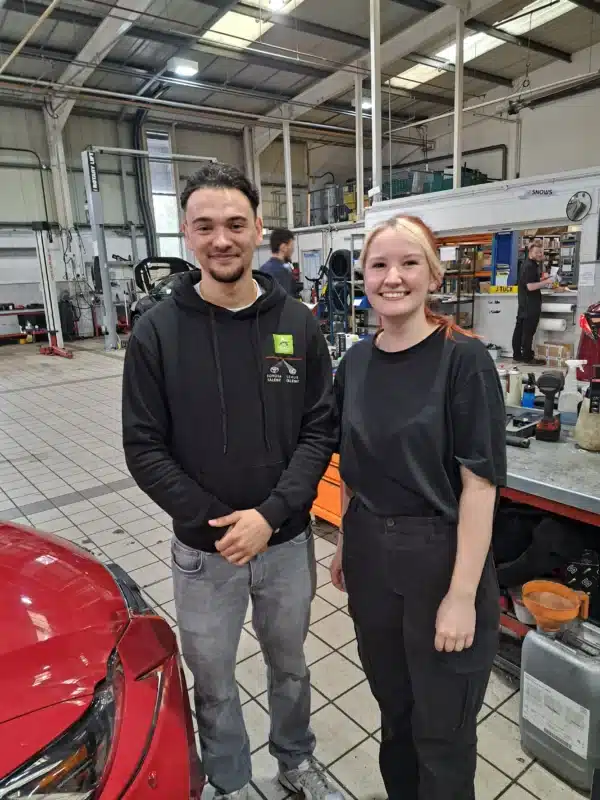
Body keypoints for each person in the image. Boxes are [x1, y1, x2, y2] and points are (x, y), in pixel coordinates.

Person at [122, 162, 342, 800]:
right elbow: (144, 446)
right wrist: (222, 522)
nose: (222, 239)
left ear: (257, 230)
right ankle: (229, 779)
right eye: (206, 226)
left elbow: (319, 431)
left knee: (291, 666)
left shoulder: (297, 323)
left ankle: (296, 761)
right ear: (187, 235)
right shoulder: (158, 332)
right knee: (212, 676)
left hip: (285, 544)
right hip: (203, 551)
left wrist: (269, 516)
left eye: (236, 224)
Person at [330, 215, 507, 800]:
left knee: (442, 730)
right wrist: (343, 544)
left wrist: (461, 596)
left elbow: (480, 487)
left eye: (409, 263)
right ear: (364, 277)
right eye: (379, 265)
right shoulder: (354, 363)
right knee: (395, 713)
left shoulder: (464, 361)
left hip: (441, 557)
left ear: (433, 275)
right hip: (370, 557)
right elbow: (352, 459)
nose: (393, 277)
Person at [512, 241, 554, 364]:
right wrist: (546, 282)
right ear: (530, 252)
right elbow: (530, 286)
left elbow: (529, 281)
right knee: (528, 331)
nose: (540, 254)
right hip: (530, 304)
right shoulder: (530, 266)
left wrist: (543, 279)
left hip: (524, 303)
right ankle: (527, 357)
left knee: (520, 329)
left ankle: (517, 355)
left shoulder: (529, 265)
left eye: (541, 252)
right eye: (537, 252)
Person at [261, 228, 296, 295]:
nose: (292, 250)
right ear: (283, 247)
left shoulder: (263, 269)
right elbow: (286, 301)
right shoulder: (282, 271)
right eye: (291, 246)